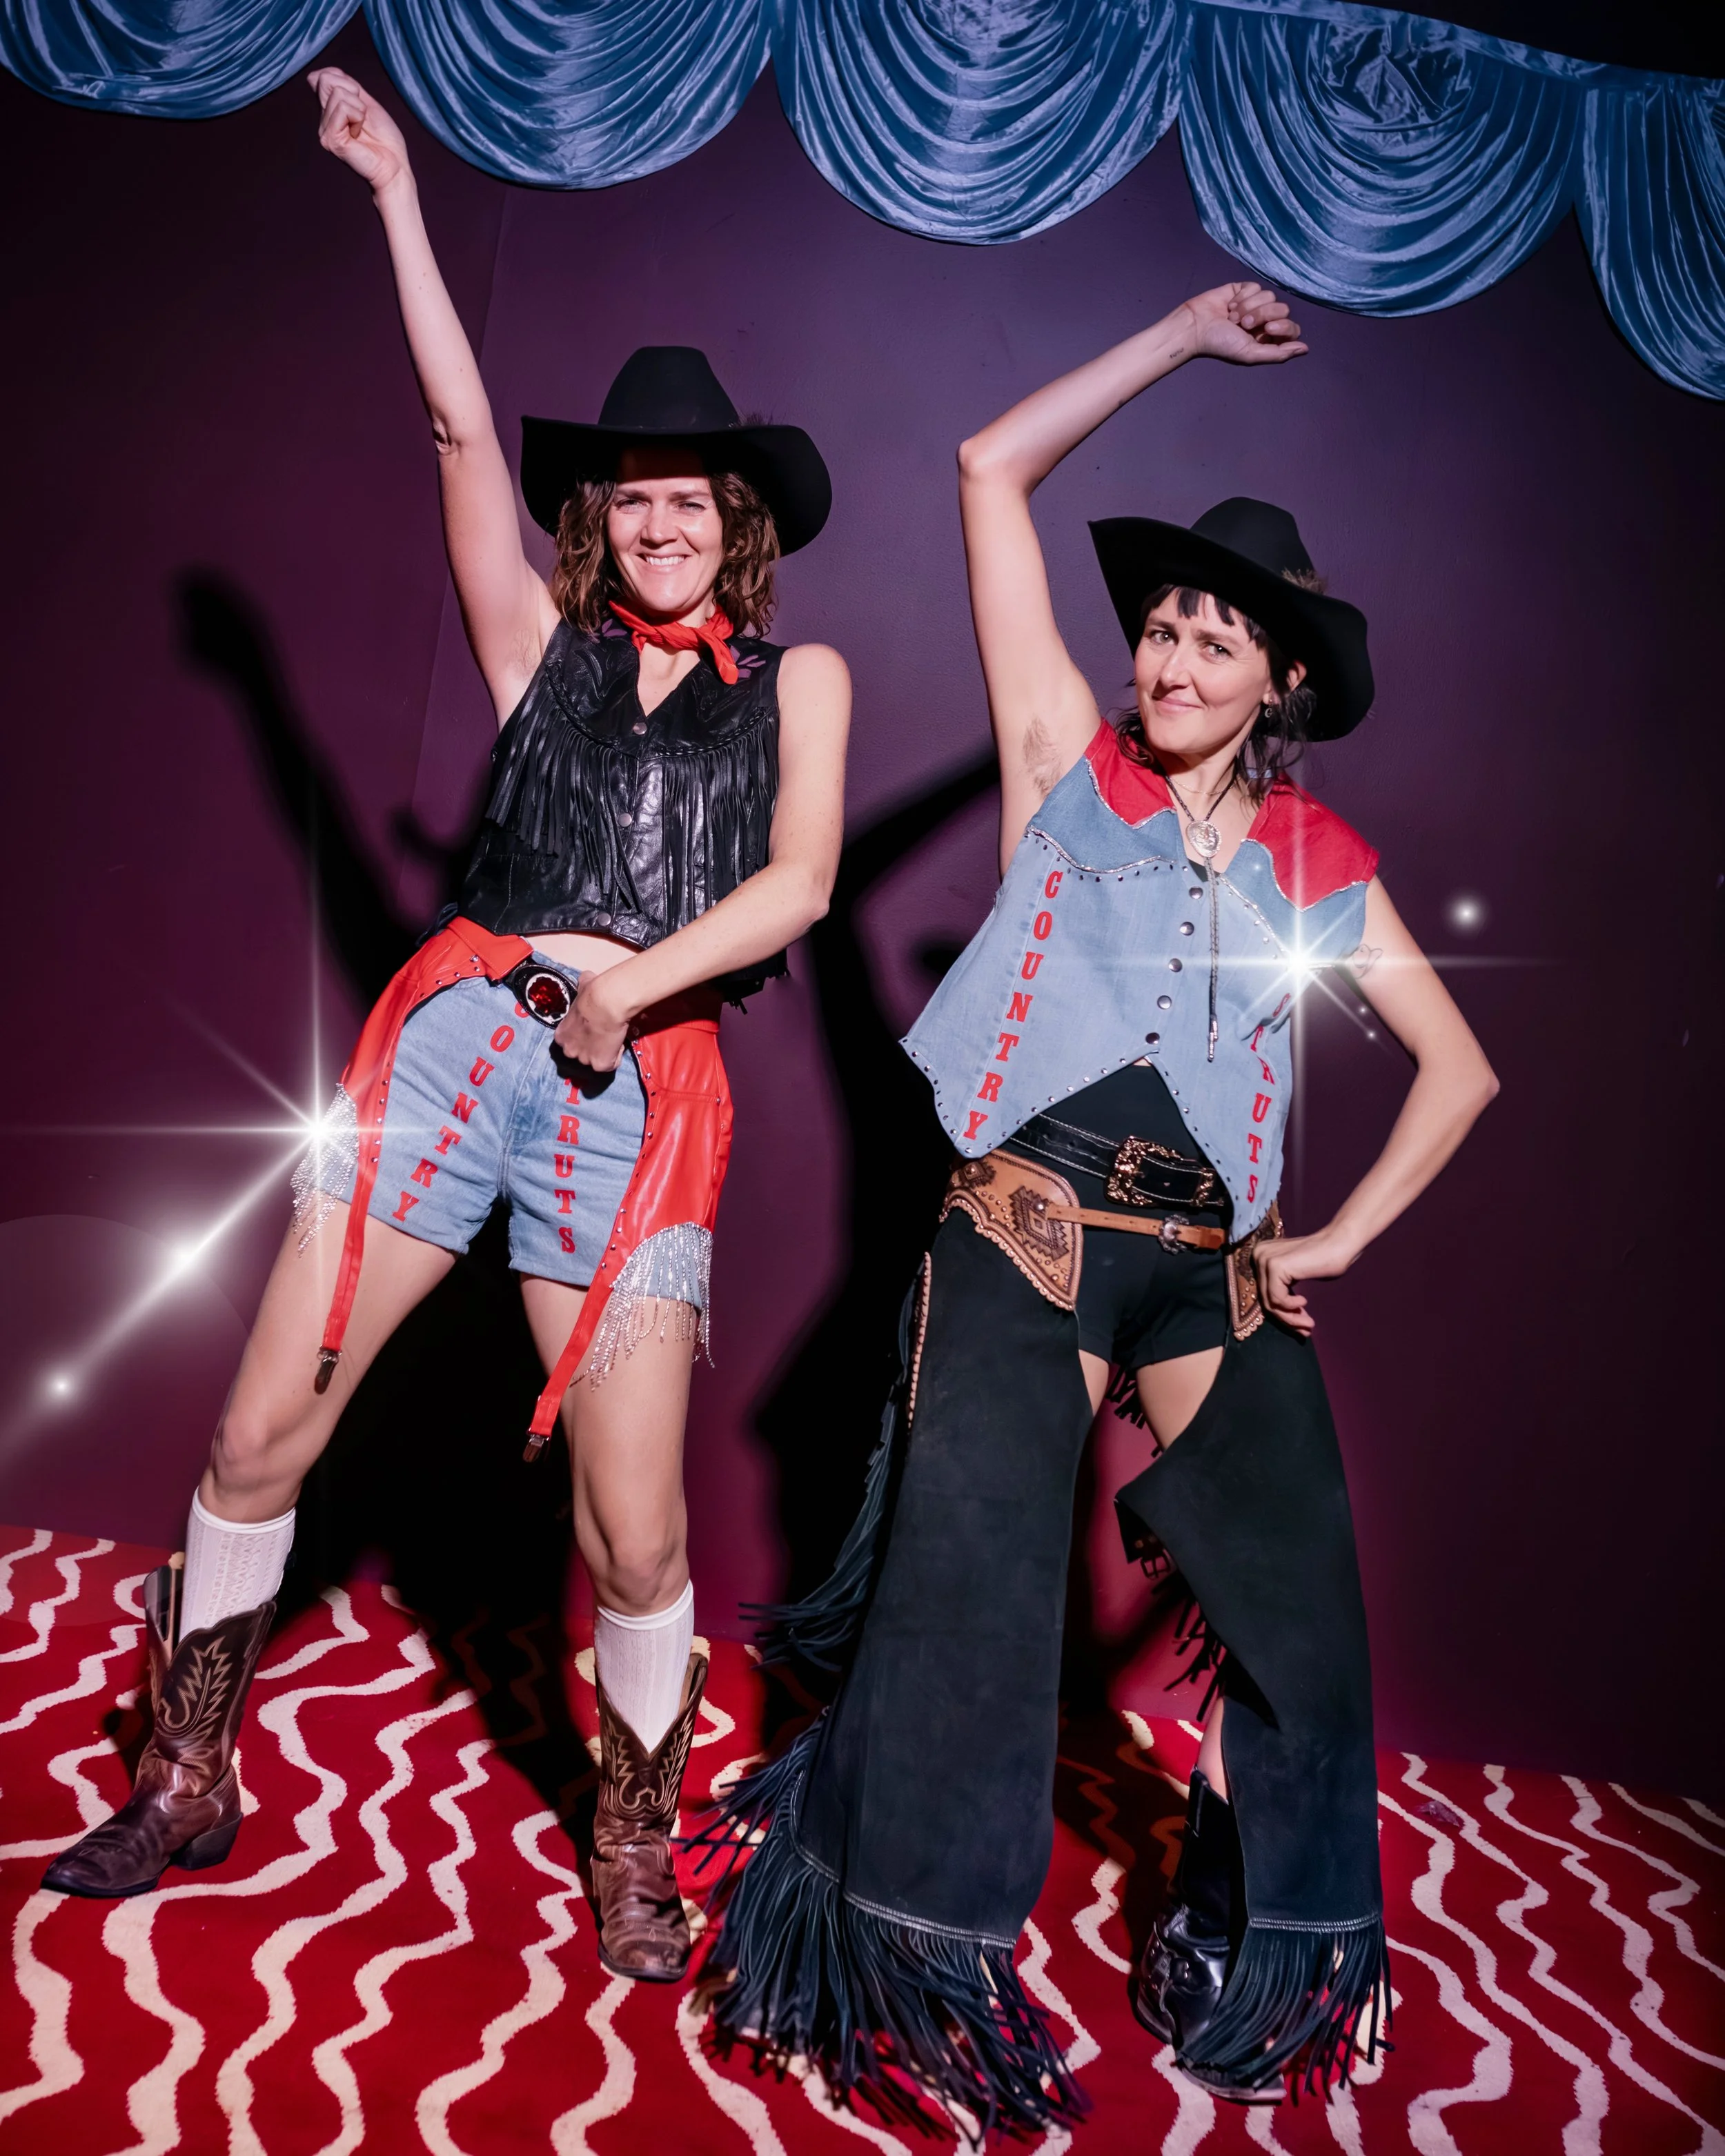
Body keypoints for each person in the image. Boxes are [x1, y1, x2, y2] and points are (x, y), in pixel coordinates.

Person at [43, 69, 851, 1990]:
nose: (655, 522)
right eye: (629, 496)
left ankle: (634, 1840)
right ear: (602, 519)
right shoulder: (532, 651)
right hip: (456, 1051)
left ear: (735, 524)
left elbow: (801, 887)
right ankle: (190, 1766)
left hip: (638, 1096)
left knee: (633, 1528)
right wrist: (399, 189)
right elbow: (451, 423)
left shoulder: (795, 679)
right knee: (258, 1429)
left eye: (689, 498)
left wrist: (629, 987)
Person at [702, 285, 1497, 2122]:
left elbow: (1459, 1071)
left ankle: (1239, 1909)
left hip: (1205, 1261)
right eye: (1160, 621)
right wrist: (1175, 345)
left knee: (1293, 1606)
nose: (1172, 654)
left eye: (1214, 637)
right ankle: (903, 1941)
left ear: (1281, 681)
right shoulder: (1065, 755)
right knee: (973, 1587)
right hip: (1026, 1231)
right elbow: (989, 465)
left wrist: (1339, 1233)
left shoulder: (1318, 866)